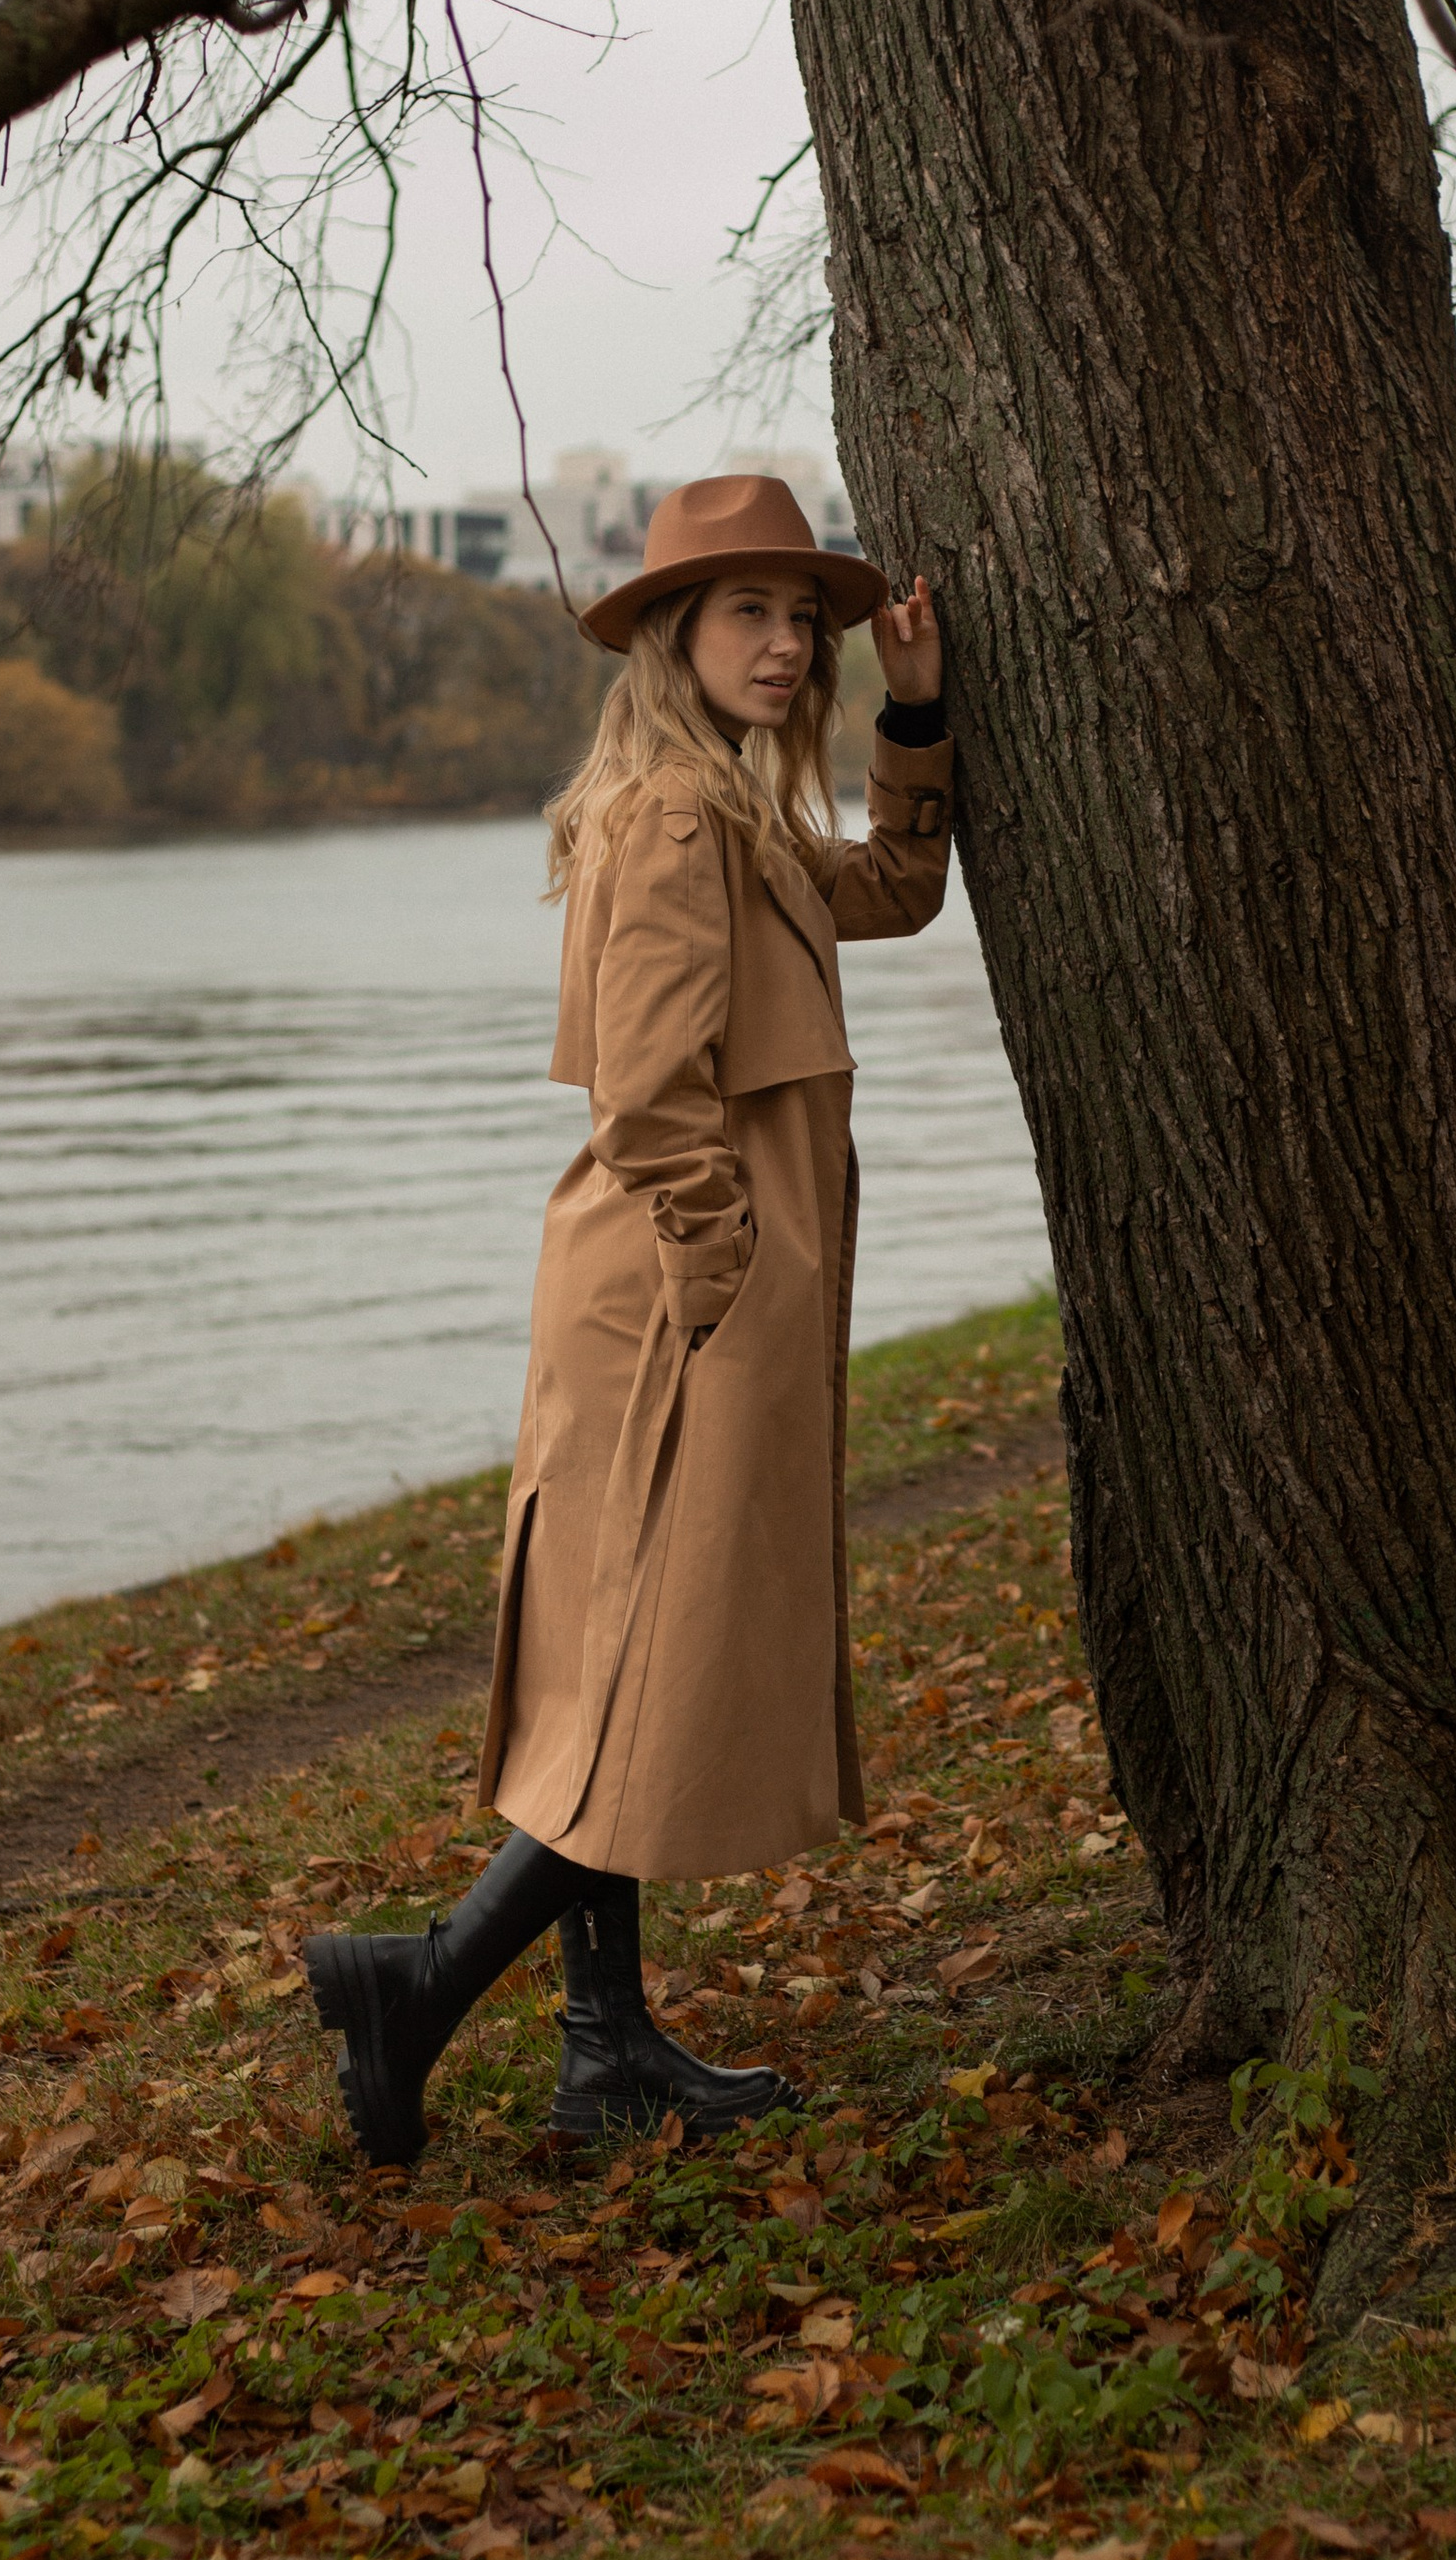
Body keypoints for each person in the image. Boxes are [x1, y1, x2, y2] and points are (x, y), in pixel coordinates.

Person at [308, 476, 952, 2161]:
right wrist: (726, 1268)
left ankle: (603, 2055)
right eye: (750, 611)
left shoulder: (719, 810)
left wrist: (921, 706)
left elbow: (892, 883)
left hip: (664, 1287)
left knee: (618, 1671)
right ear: (675, 632)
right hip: (677, 1293)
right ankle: (423, 1981)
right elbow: (651, 1091)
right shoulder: (677, 816)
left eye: (801, 618)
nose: (787, 640)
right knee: (648, 1676)